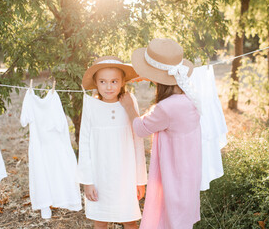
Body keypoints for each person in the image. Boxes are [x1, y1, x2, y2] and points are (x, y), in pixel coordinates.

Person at [120, 39, 202, 229]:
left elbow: (140, 128)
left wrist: (129, 107)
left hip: (173, 172)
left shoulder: (166, 108)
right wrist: (152, 76)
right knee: (181, 216)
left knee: (170, 217)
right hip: (188, 170)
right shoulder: (190, 97)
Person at [77, 56, 147, 229]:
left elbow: (138, 142)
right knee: (100, 220)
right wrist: (87, 181)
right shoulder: (91, 105)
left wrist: (140, 180)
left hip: (126, 175)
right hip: (100, 176)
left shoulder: (130, 102)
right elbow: (84, 144)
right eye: (103, 81)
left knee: (129, 220)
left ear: (123, 81)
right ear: (96, 82)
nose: (109, 87)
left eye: (114, 81)